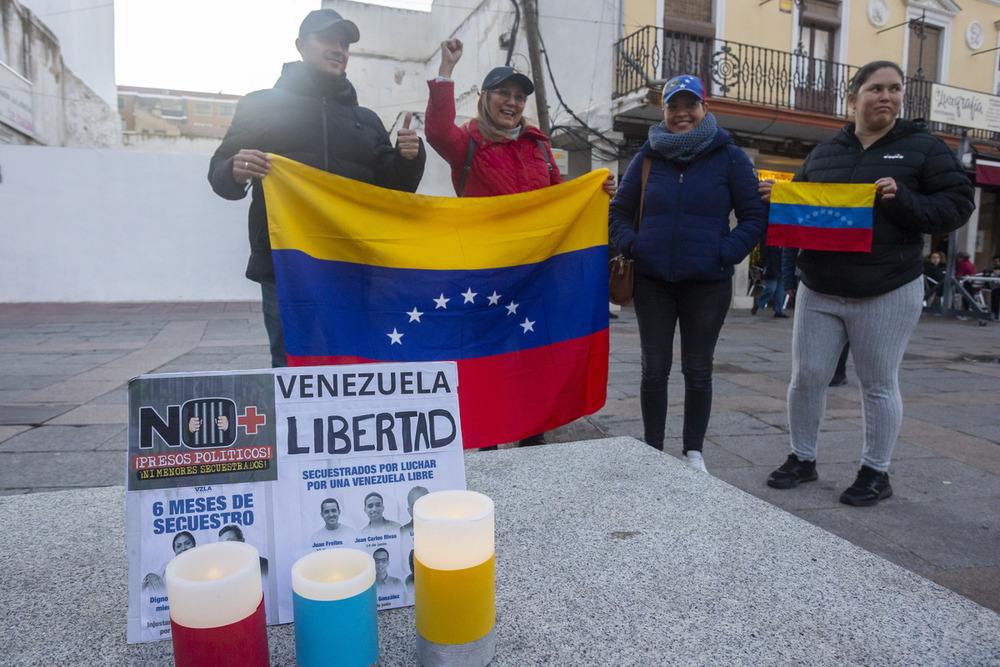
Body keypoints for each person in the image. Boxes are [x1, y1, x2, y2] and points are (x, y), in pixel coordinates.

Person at [760, 61, 975, 506]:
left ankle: (876, 472)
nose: (887, 97)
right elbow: (800, 213)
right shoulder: (823, 155)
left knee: (877, 382)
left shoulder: (925, 149)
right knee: (807, 378)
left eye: (895, 89)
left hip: (888, 288)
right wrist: (778, 200)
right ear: (853, 98)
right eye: (876, 88)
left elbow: (957, 205)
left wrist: (906, 199)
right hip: (820, 287)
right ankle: (803, 458)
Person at [424, 38, 615, 448]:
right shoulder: (467, 142)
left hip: (533, 277)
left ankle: (532, 435)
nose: (511, 102)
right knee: (486, 359)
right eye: (503, 94)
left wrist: (596, 191)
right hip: (485, 273)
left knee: (529, 358)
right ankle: (486, 440)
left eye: (518, 96)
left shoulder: (539, 145)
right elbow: (436, 130)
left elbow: (558, 199)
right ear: (486, 98)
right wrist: (446, 70)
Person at [208, 9, 426, 368]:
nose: (339, 49)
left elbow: (393, 190)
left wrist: (409, 159)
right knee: (293, 364)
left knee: (356, 361)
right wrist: (233, 170)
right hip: (285, 263)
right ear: (300, 45)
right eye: (328, 39)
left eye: (345, 43)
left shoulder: (366, 120)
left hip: (353, 264)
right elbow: (220, 174)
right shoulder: (260, 106)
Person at [608, 74, 767, 474]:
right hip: (653, 282)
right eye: (673, 106)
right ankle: (653, 449)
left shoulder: (730, 156)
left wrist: (724, 252)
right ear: (663, 111)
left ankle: (693, 452)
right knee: (654, 368)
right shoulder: (647, 157)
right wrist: (634, 245)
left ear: (704, 108)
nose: (681, 114)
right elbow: (618, 213)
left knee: (698, 369)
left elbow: (753, 217)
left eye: (689, 105)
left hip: (708, 284)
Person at [751, 244, 789, 318]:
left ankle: (778, 310)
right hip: (772, 268)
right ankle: (758, 304)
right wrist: (766, 263)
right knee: (771, 289)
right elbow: (764, 253)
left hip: (781, 267)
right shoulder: (770, 242)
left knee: (781, 291)